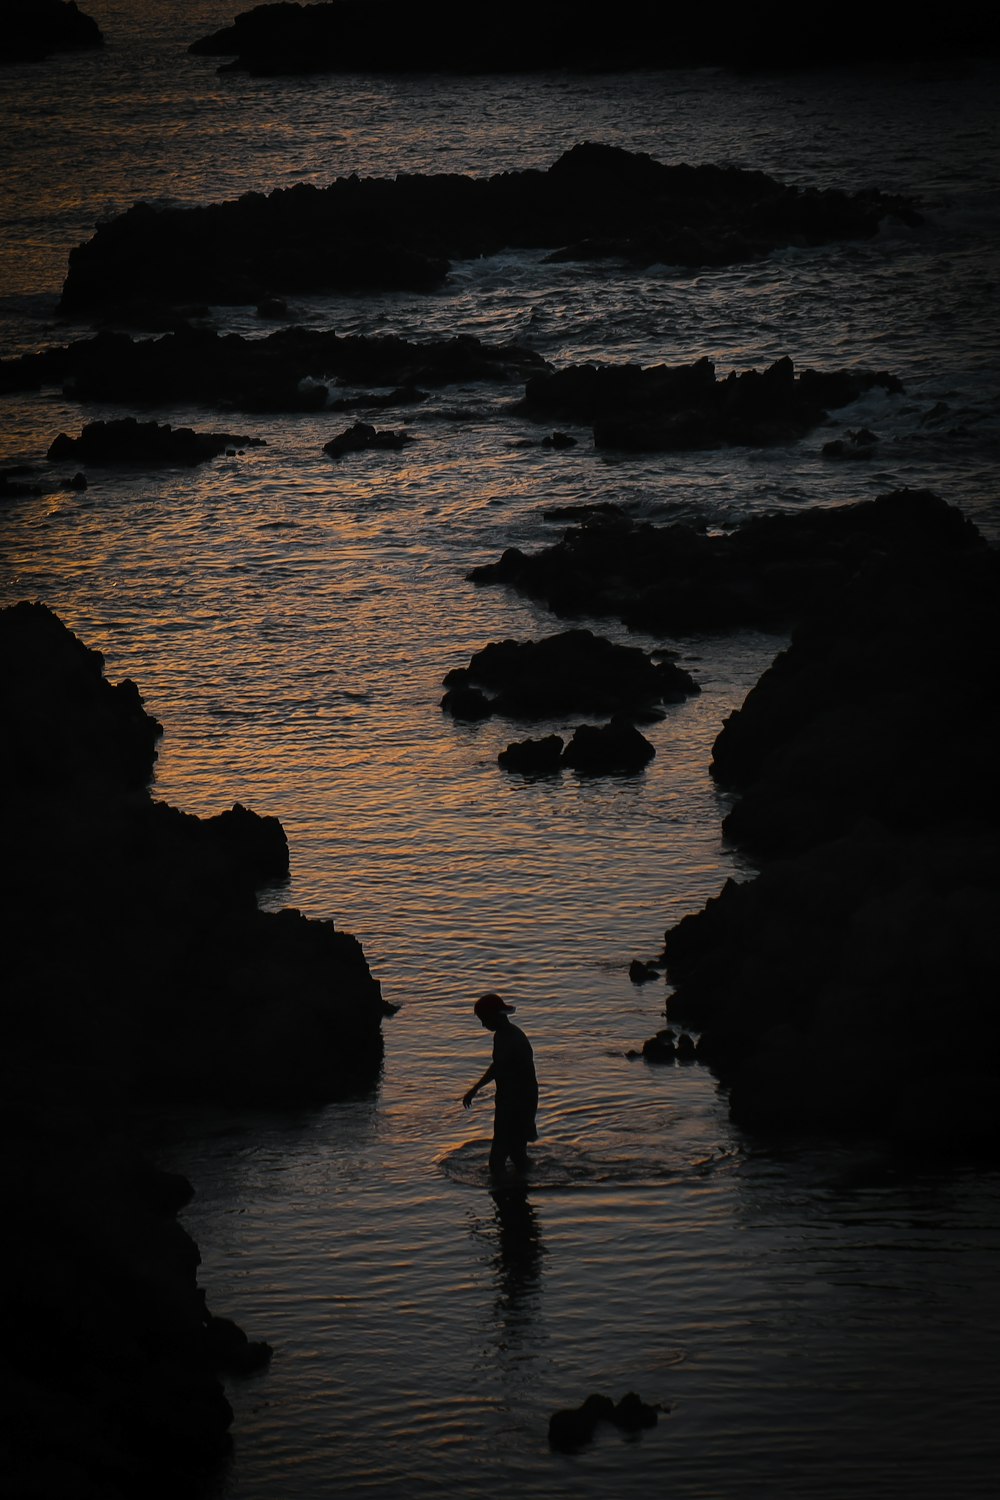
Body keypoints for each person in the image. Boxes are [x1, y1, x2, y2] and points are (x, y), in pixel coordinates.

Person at [462, 993, 538, 1175]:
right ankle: (522, 1189)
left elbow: (498, 1068)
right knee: (518, 1154)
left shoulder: (509, 1038)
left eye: (484, 1020)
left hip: (515, 1104)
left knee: (497, 1159)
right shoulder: (506, 1035)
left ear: (494, 1016)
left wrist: (475, 1089)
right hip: (519, 1101)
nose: (483, 1025)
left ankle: (505, 1194)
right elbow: (498, 1066)